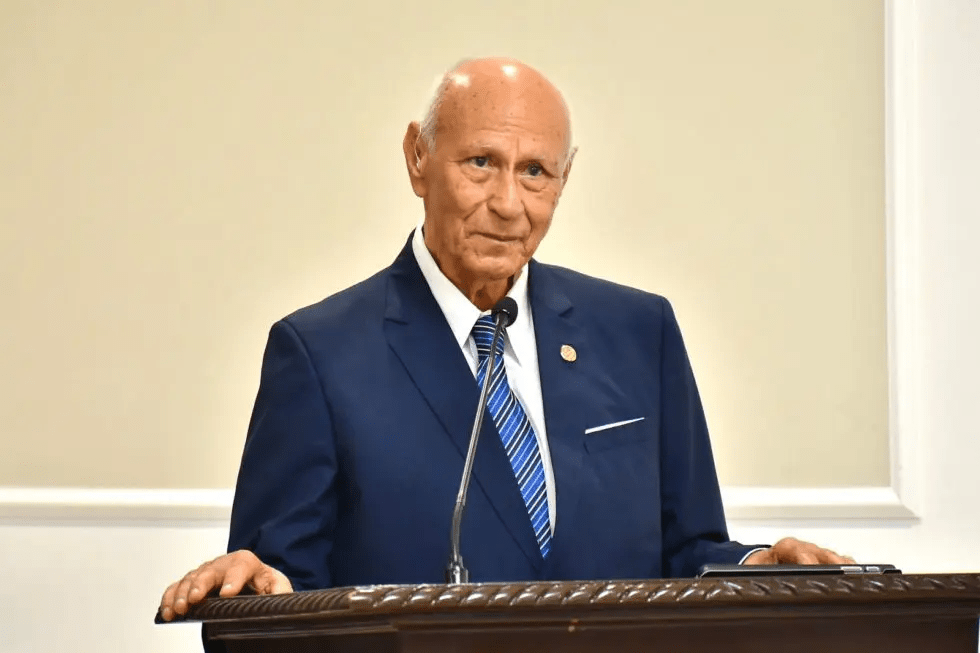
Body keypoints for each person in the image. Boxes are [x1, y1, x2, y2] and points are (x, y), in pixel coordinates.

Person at [159, 57, 850, 622]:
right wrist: (258, 587)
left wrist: (758, 567)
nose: (509, 203)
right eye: (481, 162)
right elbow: (280, 587)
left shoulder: (641, 333)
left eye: (535, 172)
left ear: (564, 181)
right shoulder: (318, 355)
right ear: (418, 159)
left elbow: (688, 553)